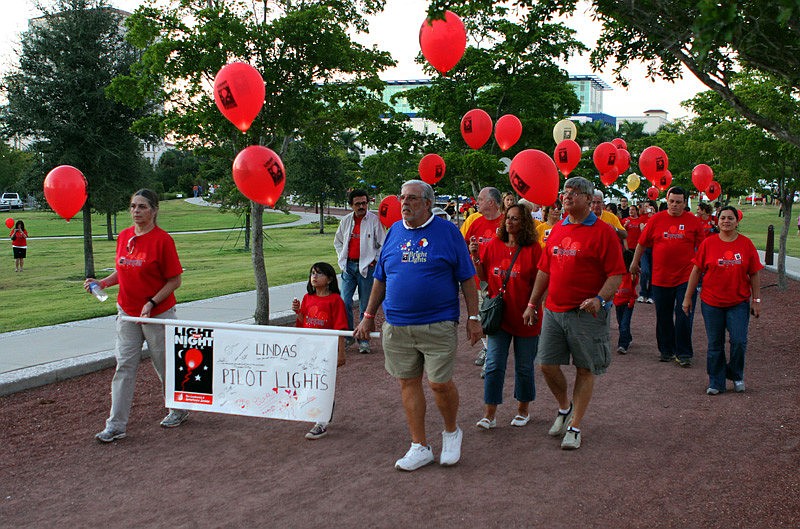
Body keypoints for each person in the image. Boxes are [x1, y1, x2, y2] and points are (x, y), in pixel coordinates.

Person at [355, 179, 481, 471]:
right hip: (398, 325)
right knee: (407, 382)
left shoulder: (448, 232)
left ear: (427, 203)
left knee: (438, 383)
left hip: (438, 323)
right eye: (402, 197)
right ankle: (419, 445)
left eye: (411, 198)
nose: (404, 203)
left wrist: (474, 318)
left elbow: (467, 278)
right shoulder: (394, 232)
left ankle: (451, 432)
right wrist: (368, 315)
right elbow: (381, 278)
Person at [522, 177, 625, 450]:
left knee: (585, 368)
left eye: (574, 193)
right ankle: (564, 407)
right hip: (554, 310)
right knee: (545, 364)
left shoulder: (604, 232)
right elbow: (545, 269)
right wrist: (533, 303)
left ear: (589, 200)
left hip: (586, 314)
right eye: (565, 192)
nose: (566, 196)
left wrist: (600, 299)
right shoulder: (557, 229)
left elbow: (616, 275)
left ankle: (576, 425)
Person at [85, 189, 187, 443]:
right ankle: (115, 425)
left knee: (165, 366)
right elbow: (123, 271)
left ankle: (178, 408)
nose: (136, 211)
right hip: (128, 315)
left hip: (157, 315)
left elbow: (175, 280)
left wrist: (152, 303)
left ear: (154, 210)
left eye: (142, 207)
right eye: (132, 206)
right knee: (124, 366)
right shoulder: (124, 237)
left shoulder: (163, 240)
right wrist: (103, 283)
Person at [469, 204, 542, 429]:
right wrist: (475, 256)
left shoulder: (534, 249)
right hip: (499, 317)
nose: (509, 222)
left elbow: (542, 281)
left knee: (524, 367)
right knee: (493, 365)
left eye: (515, 219)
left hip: (525, 316)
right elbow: (483, 277)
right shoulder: (493, 245)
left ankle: (523, 409)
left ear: (525, 223)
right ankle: (489, 414)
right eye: (508, 218)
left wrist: (534, 306)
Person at [682, 206, 763, 395]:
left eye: (730, 218)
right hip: (712, 303)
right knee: (715, 344)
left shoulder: (746, 245)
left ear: (737, 221)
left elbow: (754, 273)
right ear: (717, 221)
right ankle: (716, 381)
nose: (726, 221)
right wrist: (687, 298)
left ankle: (736, 375)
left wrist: (756, 300)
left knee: (739, 341)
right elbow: (696, 271)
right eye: (723, 218)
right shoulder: (708, 244)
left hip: (738, 302)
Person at [630, 186, 705, 367]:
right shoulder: (656, 219)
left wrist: (703, 269)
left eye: (678, 202)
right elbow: (641, 244)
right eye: (671, 201)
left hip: (685, 278)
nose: (674, 205)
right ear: (667, 200)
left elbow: (703, 248)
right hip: (661, 278)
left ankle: (684, 353)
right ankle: (666, 350)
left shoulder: (694, 222)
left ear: (685, 203)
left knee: (683, 314)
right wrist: (634, 264)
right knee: (663, 316)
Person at [292, 262, 348, 439]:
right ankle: (319, 412)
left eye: (319, 274)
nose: (314, 277)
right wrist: (297, 312)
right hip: (309, 349)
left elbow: (340, 328)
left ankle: (321, 421)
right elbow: (304, 323)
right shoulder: (307, 298)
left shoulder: (335, 300)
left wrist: (341, 352)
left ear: (330, 278)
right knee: (311, 382)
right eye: (312, 273)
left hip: (326, 350)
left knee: (323, 383)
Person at [333, 189, 386, 354]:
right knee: (345, 302)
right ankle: (349, 336)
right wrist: (342, 260)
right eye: (358, 204)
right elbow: (338, 242)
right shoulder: (346, 221)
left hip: (367, 269)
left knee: (365, 305)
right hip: (349, 268)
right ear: (351, 205)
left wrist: (374, 261)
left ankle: (364, 340)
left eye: (364, 203)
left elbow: (383, 244)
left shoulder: (374, 220)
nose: (362, 206)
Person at [461, 187, 505, 368]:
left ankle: (495, 352)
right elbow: (463, 247)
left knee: (501, 320)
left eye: (480, 199)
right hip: (481, 282)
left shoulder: (506, 223)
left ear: (491, 203)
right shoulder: (476, 223)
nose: (476, 202)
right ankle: (489, 350)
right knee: (484, 318)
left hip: (503, 282)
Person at [613, 249, 638, 354]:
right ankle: (627, 337)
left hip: (628, 303)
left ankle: (622, 345)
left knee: (624, 324)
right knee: (621, 323)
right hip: (618, 302)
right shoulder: (618, 274)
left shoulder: (632, 275)